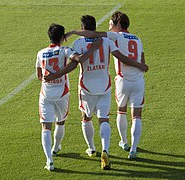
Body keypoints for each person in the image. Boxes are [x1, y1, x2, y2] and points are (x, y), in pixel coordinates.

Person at [45, 15, 147, 169]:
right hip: (105, 85)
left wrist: (56, 75)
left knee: (86, 118)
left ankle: (92, 147)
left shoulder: (78, 42)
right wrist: (140, 65)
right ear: (94, 26)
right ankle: (106, 149)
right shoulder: (107, 41)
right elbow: (120, 56)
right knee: (104, 119)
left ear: (83, 27)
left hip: (86, 87)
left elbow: (75, 62)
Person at [36, 23, 101, 171]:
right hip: (62, 93)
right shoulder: (64, 50)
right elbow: (79, 59)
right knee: (60, 122)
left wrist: (50, 78)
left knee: (46, 127)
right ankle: (56, 146)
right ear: (62, 37)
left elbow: (39, 76)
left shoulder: (40, 53)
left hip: (46, 94)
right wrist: (94, 48)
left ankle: (49, 160)